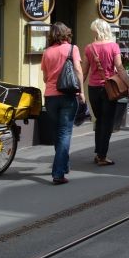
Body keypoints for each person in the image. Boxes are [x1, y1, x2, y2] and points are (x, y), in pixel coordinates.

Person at [41, 22, 85, 185]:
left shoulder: (46, 52)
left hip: (50, 97)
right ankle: (58, 173)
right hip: (67, 96)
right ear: (66, 34)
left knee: (57, 133)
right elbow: (78, 71)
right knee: (65, 133)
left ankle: (63, 166)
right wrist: (81, 92)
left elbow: (45, 78)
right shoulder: (72, 49)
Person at [84, 19, 129, 166]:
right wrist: (128, 85)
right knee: (107, 122)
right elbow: (120, 68)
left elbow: (84, 71)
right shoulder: (113, 46)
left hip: (93, 88)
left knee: (99, 120)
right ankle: (102, 156)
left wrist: (78, 89)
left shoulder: (89, 48)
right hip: (109, 88)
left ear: (96, 31)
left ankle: (99, 152)